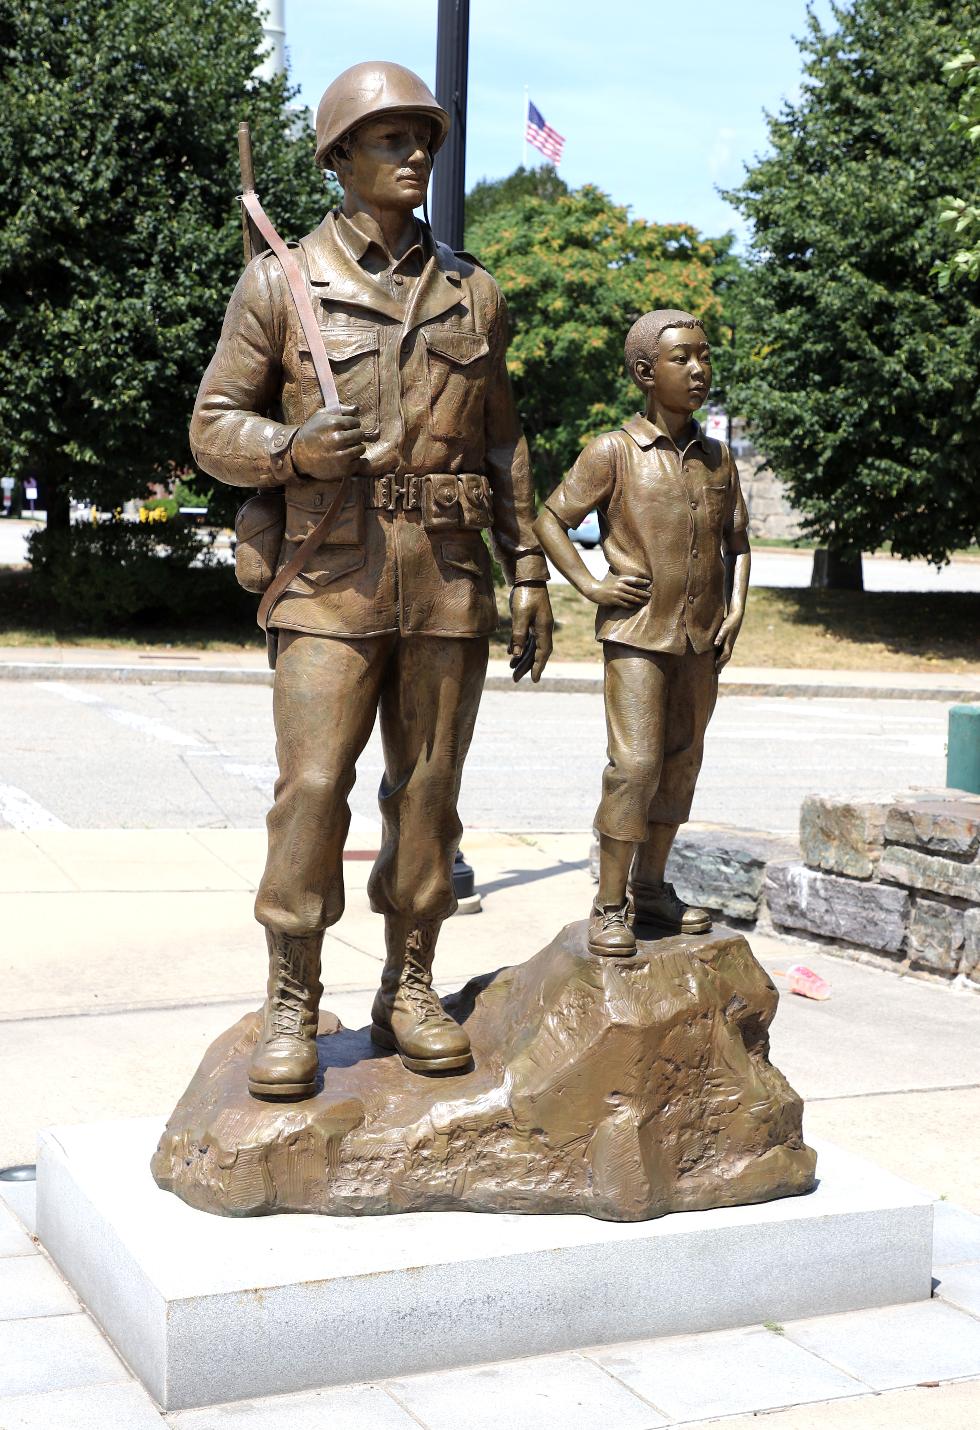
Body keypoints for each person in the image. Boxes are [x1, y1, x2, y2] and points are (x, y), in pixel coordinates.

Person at [190, 62, 553, 1095]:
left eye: (421, 140)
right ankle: (293, 996)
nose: (413, 156)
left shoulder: (471, 289)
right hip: (330, 578)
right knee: (310, 791)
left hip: (444, 574)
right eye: (389, 139)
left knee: (429, 791)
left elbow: (502, 442)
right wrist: (294, 446)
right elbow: (212, 426)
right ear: (338, 157)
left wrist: (526, 567)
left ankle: (409, 982)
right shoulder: (281, 281)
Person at [534, 309, 750, 957]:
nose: (699, 369)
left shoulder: (719, 459)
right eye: (683, 358)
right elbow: (550, 519)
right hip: (636, 636)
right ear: (644, 373)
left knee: (681, 765)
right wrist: (591, 585)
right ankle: (609, 903)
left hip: (700, 641)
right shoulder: (614, 452)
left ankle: (651, 888)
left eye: (704, 356)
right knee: (635, 767)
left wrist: (736, 607)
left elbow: (738, 544)